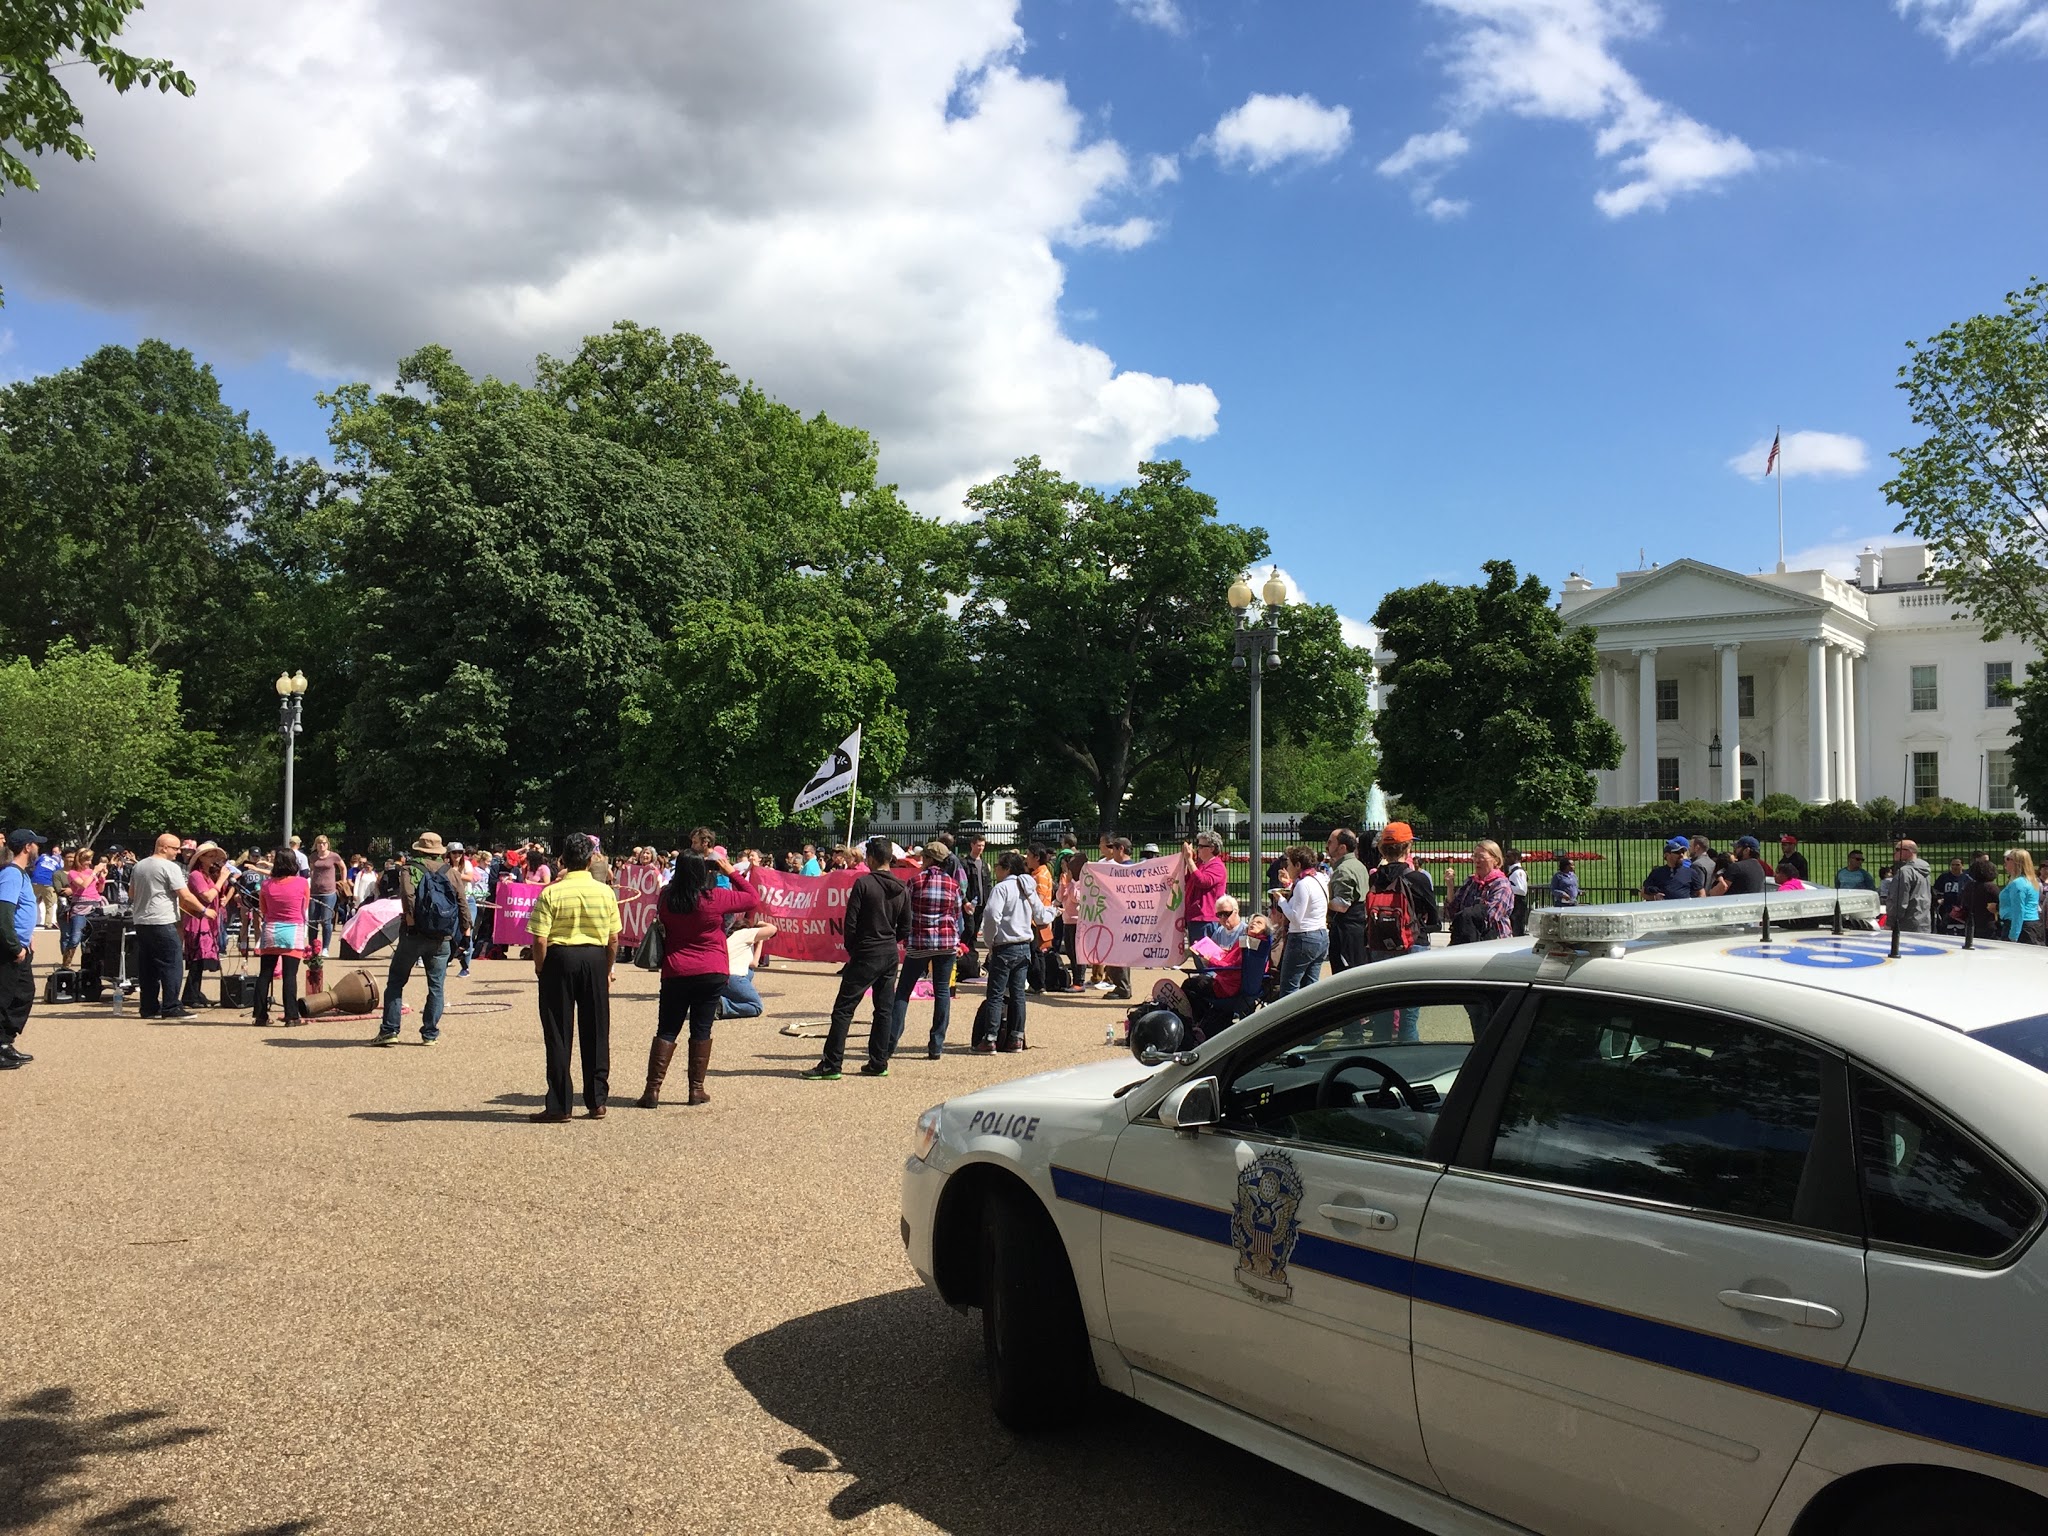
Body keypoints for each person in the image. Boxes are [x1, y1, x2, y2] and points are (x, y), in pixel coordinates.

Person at [639, 850, 756, 1107]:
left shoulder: (667, 897)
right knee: (702, 1028)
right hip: (711, 969)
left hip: (676, 969)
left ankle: (652, 1090)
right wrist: (731, 872)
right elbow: (752, 898)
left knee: (667, 1029)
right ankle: (696, 1089)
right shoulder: (715, 897)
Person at [528, 833, 621, 1121]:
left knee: (558, 1032)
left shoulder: (551, 893)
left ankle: (559, 1104)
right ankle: (597, 1100)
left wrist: (540, 968)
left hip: (560, 958)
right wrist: (607, 969)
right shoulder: (605, 892)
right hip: (594, 957)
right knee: (596, 1030)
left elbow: (539, 939)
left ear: (562, 860)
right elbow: (613, 938)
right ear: (591, 860)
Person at [806, 837, 910, 1080]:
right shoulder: (902, 887)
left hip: (867, 950)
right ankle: (878, 1061)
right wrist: (891, 939)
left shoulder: (864, 883)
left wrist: (854, 948)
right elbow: (906, 926)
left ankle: (832, 1063)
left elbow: (850, 922)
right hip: (889, 951)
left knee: (844, 1009)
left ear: (871, 858)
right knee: (883, 1010)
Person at [375, 832, 469, 1047]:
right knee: (436, 986)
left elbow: (408, 896)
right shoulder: (451, 872)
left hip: (414, 934)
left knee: (396, 980)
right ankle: (430, 1033)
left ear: (419, 849)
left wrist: (411, 922)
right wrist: (466, 931)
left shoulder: (409, 868)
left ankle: (390, 1030)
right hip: (442, 935)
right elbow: (462, 902)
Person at [891, 842, 964, 1061]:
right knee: (942, 992)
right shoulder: (953, 884)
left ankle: (890, 1042)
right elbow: (957, 915)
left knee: (903, 991)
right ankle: (936, 1045)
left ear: (929, 859)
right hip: (946, 943)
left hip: (919, 942)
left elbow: (905, 912)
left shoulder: (915, 882)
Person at [977, 850, 1051, 1054]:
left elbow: (992, 915)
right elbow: (1041, 915)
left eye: (998, 867)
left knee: (996, 994)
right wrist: (1053, 912)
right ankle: (1016, 1038)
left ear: (1006, 868)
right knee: (1018, 994)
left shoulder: (1001, 888)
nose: (996, 871)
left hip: (1004, 945)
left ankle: (990, 1038)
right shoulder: (1027, 887)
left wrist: (990, 941)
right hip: (1024, 944)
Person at [131, 833, 206, 1020]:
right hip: (162, 920)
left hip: (141, 921)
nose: (178, 852)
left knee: (148, 966)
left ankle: (148, 1007)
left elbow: (131, 893)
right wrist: (204, 910)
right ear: (163, 847)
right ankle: (171, 1006)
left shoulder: (139, 866)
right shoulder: (170, 867)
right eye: (175, 848)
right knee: (172, 964)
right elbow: (185, 895)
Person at [252, 846, 312, 1027]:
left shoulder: (266, 885)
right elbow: (304, 906)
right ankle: (291, 1016)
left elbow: (263, 909)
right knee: (289, 975)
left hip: (271, 929)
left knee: (265, 974)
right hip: (293, 930)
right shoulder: (302, 883)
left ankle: (260, 1016)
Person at [1, 830, 44, 1069]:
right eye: (36, 844)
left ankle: (5, 1042)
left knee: (23, 993)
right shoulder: (10, 874)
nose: (39, 848)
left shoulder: (22, 874)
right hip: (9, 948)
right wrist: (14, 945)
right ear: (28, 847)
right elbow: (4, 913)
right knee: (4, 997)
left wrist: (29, 937)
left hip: (22, 945)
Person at [1274, 844, 1330, 996]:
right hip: (1321, 936)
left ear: (1298, 865)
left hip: (1303, 938)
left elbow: (1296, 918)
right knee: (1310, 989)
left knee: (1289, 989)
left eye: (1289, 864)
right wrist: (1289, 884)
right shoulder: (1319, 878)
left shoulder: (1303, 885)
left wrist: (1281, 901)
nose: (1287, 868)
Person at [179, 843, 230, 1011]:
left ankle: (195, 992)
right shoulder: (196, 875)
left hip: (209, 921)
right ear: (200, 858)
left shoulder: (208, 876)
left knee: (201, 960)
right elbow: (207, 896)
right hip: (198, 921)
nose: (214, 859)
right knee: (197, 958)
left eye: (215, 856)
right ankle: (190, 995)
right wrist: (221, 880)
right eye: (210, 856)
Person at [1321, 829, 1370, 972]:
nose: (1326, 846)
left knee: (1344, 974)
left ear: (1342, 848)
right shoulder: (1358, 865)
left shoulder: (1343, 869)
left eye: (1330, 843)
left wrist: (1321, 902)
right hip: (1358, 927)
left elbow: (1342, 904)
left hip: (1346, 931)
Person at [1447, 840, 1514, 942]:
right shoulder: (1471, 882)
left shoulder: (1501, 884)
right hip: (1468, 940)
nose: (1477, 861)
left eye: (1482, 857)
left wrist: (1466, 915)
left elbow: (1491, 916)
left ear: (1496, 860)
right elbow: (1452, 913)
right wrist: (1450, 886)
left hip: (1494, 942)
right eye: (1475, 856)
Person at [719, 914, 776, 1021]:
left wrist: (760, 941)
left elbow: (754, 963)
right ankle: (722, 1005)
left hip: (721, 978)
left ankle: (714, 1000)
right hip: (734, 977)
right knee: (755, 1006)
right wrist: (761, 924)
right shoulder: (744, 933)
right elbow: (772, 929)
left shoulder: (732, 939)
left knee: (750, 971)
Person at [57, 848, 105, 968]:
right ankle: (66, 964)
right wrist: (95, 872)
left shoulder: (90, 872)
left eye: (90, 859)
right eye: (86, 860)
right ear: (79, 860)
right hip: (80, 908)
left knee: (92, 939)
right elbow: (83, 885)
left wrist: (102, 878)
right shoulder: (73, 873)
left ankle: (89, 965)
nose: (89, 862)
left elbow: (100, 889)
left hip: (95, 905)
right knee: (75, 938)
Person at [305, 834, 346, 962]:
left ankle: (325, 948)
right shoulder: (313, 857)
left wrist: (343, 881)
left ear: (327, 844)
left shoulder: (334, 856)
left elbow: (343, 867)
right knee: (313, 921)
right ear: (316, 845)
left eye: (324, 843)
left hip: (329, 892)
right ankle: (312, 948)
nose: (322, 845)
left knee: (326, 920)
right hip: (314, 891)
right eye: (319, 843)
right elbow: (311, 870)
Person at [957, 833, 990, 982]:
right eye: (978, 845)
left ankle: (969, 957)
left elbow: (987, 884)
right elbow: (961, 884)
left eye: (983, 846)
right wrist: (965, 901)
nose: (980, 848)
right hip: (970, 903)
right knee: (969, 929)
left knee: (975, 931)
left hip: (982, 904)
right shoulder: (965, 863)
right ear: (972, 845)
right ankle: (963, 952)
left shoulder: (985, 865)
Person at [1889, 838, 1933, 934]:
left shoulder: (1905, 872)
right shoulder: (1925, 871)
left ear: (1908, 852)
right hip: (1923, 922)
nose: (1894, 852)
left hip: (1906, 924)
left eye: (1897, 849)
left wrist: (1890, 922)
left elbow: (1899, 901)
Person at [1999, 849, 2044, 944]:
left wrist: (2013, 935)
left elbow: (2018, 910)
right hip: (2031, 926)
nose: (2005, 862)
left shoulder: (2018, 883)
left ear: (2017, 862)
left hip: (2020, 927)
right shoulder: (2031, 880)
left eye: (2008, 859)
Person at [1963, 855, 2003, 943]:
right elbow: (2001, 903)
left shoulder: (1969, 886)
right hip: (1990, 924)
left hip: (1972, 923)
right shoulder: (1991, 888)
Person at [1934, 857, 1971, 934]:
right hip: (1946, 909)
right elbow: (1936, 890)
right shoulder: (1944, 877)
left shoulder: (1967, 878)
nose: (1954, 867)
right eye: (1952, 865)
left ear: (1962, 866)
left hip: (1961, 910)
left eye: (1957, 865)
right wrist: (1939, 899)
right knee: (1944, 929)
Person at [30, 843, 60, 929]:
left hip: (35, 881)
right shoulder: (57, 865)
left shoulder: (42, 857)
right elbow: (56, 876)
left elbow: (34, 865)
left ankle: (29, 921)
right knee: (49, 905)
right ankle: (48, 924)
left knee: (30, 901)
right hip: (48, 883)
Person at [1504, 849, 1530, 937]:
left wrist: (1506, 886)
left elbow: (1522, 890)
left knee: (1517, 927)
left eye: (1508, 856)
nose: (1506, 858)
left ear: (1515, 858)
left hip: (1518, 903)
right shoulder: (1513, 871)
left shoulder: (1518, 872)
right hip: (1514, 903)